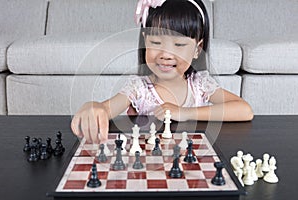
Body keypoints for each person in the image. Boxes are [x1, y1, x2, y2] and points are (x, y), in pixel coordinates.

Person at [71, 0, 254, 144]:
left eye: (179, 45)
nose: (166, 55)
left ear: (197, 48)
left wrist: (185, 112)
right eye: (156, 43)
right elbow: (107, 108)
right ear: (145, 41)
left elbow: (245, 111)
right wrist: (95, 107)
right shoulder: (139, 87)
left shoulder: (200, 84)